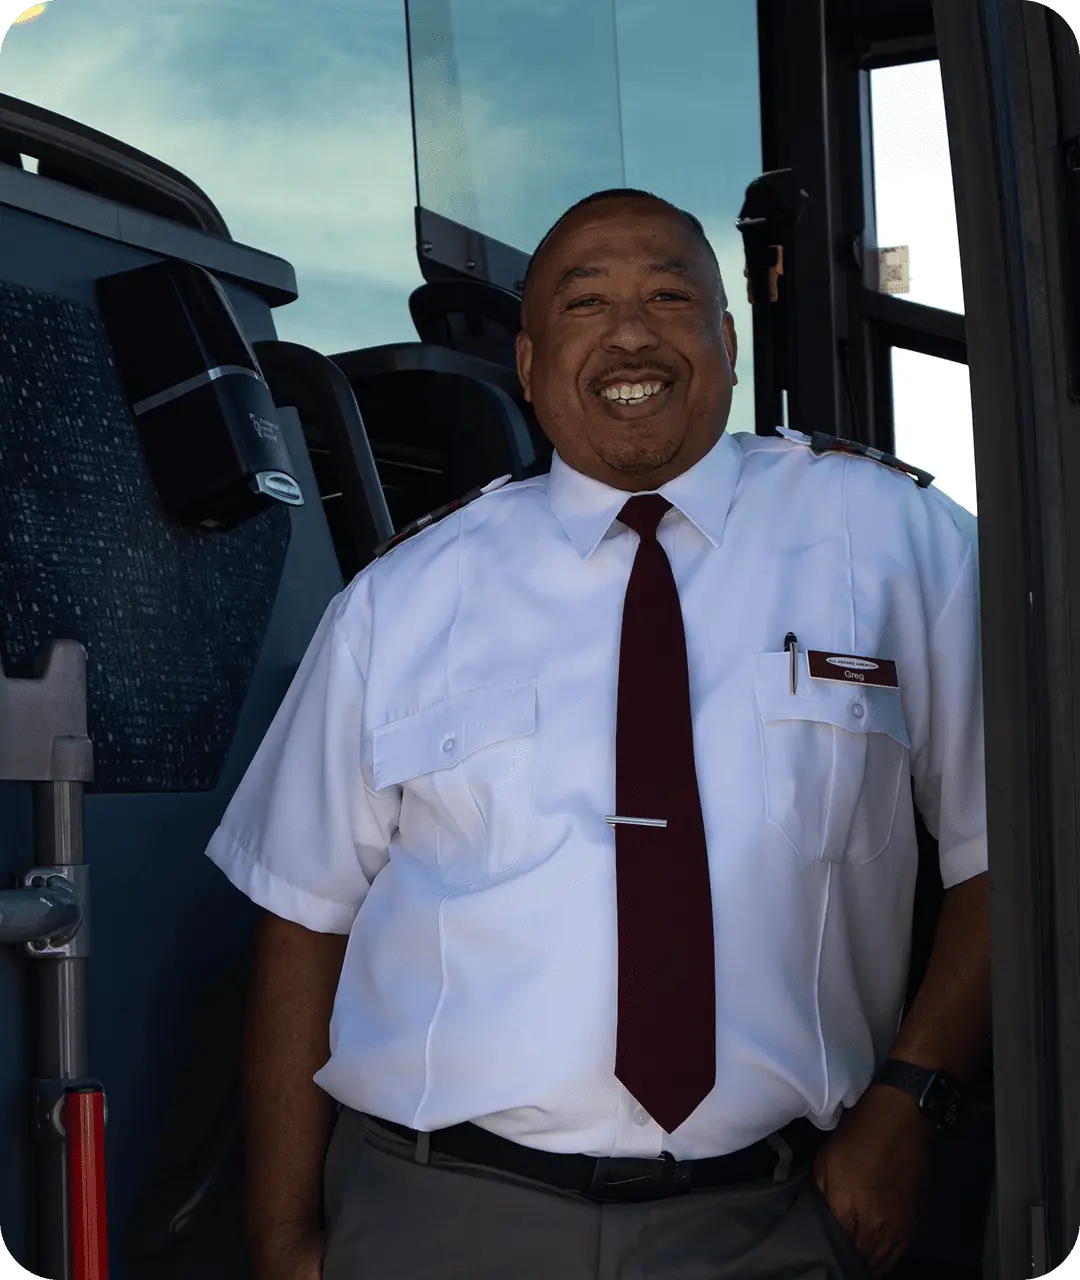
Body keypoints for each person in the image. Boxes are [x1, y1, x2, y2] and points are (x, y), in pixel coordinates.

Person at [205, 187, 990, 1280]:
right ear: (527, 362)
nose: (631, 332)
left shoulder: (894, 541)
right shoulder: (404, 598)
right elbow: (304, 916)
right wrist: (282, 1236)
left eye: (670, 294)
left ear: (728, 337)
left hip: (769, 1219)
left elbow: (1012, 844)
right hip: (442, 1215)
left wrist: (915, 1094)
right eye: (586, 303)